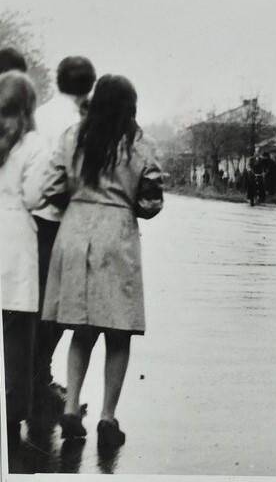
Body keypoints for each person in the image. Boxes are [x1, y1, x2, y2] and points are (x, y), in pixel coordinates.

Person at [39, 74, 164, 447]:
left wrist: (76, 202)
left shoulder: (72, 136)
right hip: (118, 236)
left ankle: (72, 407)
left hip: (75, 232)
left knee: (82, 325)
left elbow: (50, 187)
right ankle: (108, 416)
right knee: (119, 330)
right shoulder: (140, 144)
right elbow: (151, 201)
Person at [28, 55, 96, 413]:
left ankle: (32, 376)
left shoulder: (41, 112)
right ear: (90, 84)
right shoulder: (79, 122)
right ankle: (40, 378)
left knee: (37, 300)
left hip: (34, 213)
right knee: (56, 304)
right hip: (62, 217)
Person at [0, 71, 47, 446]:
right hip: (16, 242)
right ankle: (14, 419)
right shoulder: (33, 144)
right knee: (17, 337)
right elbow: (34, 196)